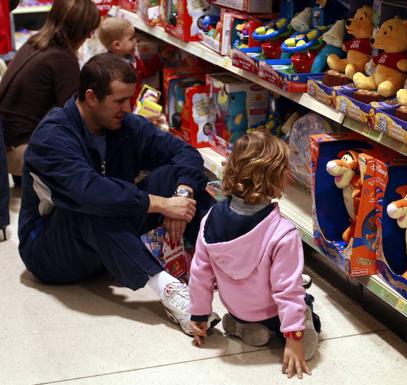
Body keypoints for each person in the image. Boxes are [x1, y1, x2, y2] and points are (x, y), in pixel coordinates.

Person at [18, 53, 219, 335]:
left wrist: (181, 196)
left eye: (130, 99)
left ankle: (226, 260)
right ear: (91, 97)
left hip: (106, 243)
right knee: (93, 203)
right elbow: (89, 193)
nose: (128, 107)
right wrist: (162, 205)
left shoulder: (124, 125)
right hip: (50, 252)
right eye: (119, 101)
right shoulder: (52, 136)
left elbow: (184, 153)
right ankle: (170, 290)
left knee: (176, 176)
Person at [188, 131, 321, 379]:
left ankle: (243, 325)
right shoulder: (282, 233)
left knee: (249, 311)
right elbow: (287, 289)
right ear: (276, 179)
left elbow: (200, 274)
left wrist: (199, 315)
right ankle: (280, 330)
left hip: (238, 308)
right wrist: (294, 338)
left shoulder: (210, 220)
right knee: (306, 313)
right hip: (271, 311)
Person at [0, 0, 100, 185]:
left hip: (5, 141)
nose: (89, 38)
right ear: (81, 32)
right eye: (89, 32)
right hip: (17, 151)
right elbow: (77, 116)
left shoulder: (34, 42)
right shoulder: (63, 59)